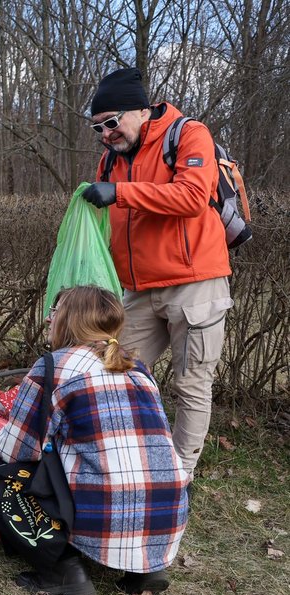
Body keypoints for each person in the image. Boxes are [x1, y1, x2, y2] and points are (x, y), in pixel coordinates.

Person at [80, 67, 233, 475]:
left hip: (195, 284)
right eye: (97, 127)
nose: (106, 134)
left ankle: (179, 477)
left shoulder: (187, 134)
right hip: (138, 288)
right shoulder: (110, 159)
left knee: (191, 384)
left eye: (111, 123)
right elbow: (106, 229)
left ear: (141, 111)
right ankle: (123, 460)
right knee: (114, 370)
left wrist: (122, 193)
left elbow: (193, 195)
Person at [0, 286, 189, 595]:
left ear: (70, 320)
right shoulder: (138, 367)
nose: (48, 319)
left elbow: (16, 450)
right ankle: (146, 568)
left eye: (55, 312)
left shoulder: (52, 366)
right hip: (167, 512)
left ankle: (63, 569)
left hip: (106, 517)